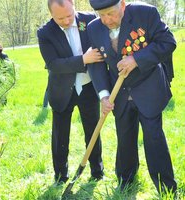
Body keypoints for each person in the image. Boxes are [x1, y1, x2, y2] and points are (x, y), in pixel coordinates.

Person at [87, 0, 177, 193]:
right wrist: (104, 95)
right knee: (125, 137)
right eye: (101, 15)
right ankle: (126, 182)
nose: (106, 20)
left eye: (110, 13)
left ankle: (166, 187)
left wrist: (137, 59)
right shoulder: (94, 28)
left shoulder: (146, 13)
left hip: (148, 87)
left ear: (123, 4)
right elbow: (97, 64)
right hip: (119, 94)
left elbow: (168, 42)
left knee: (154, 138)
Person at [37, 0, 105, 185]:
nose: (67, 21)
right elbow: (53, 64)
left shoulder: (90, 20)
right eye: (60, 18)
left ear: (74, 6)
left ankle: (97, 171)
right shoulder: (45, 33)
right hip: (61, 91)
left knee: (93, 130)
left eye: (69, 15)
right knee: (60, 134)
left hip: (89, 87)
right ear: (51, 14)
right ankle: (60, 175)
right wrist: (83, 59)